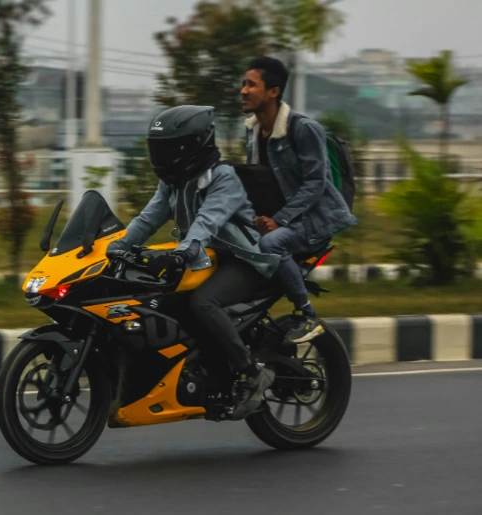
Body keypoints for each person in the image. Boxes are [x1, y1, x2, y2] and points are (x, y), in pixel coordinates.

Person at [107, 105, 280, 420]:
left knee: (203, 303)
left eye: (167, 148)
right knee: (163, 301)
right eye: (156, 148)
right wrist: (114, 247)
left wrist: (182, 251)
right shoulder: (173, 181)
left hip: (244, 259)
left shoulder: (223, 178)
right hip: (205, 257)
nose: (159, 156)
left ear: (192, 146)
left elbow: (206, 221)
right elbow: (147, 220)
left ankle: (250, 372)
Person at [241, 57, 357, 343]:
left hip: (315, 220)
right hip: (282, 219)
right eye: (243, 84)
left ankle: (306, 314)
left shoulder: (304, 129)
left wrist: (278, 220)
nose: (243, 90)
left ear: (273, 91)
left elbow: (315, 183)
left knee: (271, 244)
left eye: (251, 84)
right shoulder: (254, 131)